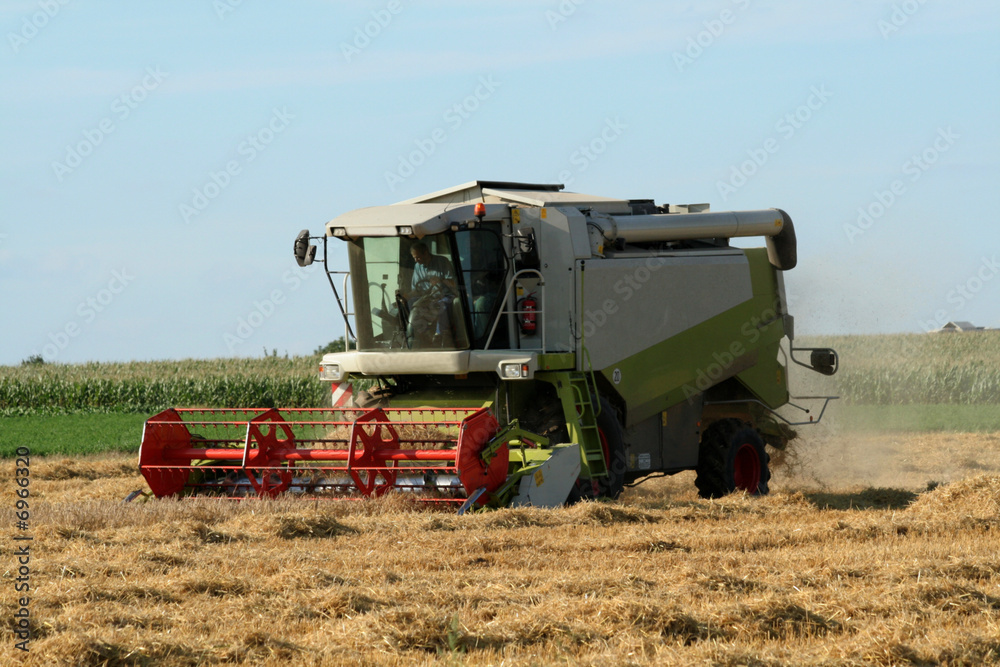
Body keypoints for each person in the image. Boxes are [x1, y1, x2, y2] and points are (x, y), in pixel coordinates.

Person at [406, 242, 457, 346]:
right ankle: (420, 334)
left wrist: (441, 280)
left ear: (426, 253)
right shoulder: (417, 266)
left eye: (418, 257)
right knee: (410, 303)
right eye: (414, 258)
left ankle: (439, 335)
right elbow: (416, 289)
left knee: (443, 305)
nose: (416, 260)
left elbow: (453, 283)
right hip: (427, 297)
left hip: (445, 295)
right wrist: (405, 296)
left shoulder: (443, 262)